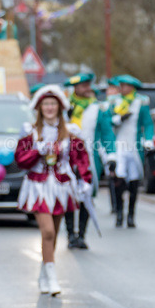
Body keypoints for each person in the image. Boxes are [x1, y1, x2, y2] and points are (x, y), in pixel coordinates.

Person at [14, 85, 94, 294]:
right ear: (39, 108)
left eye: (53, 104)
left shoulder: (70, 133)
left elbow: (81, 158)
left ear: (60, 107)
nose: (49, 108)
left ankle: (43, 275)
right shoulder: (30, 131)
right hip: (38, 186)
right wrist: (37, 151)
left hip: (61, 186)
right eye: (46, 104)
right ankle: (52, 277)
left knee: (54, 234)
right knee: (47, 231)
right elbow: (20, 160)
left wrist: (85, 180)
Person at [101, 75, 152, 228]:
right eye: (121, 85)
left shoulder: (140, 102)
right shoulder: (114, 102)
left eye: (125, 86)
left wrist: (148, 140)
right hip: (118, 147)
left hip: (134, 147)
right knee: (118, 181)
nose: (122, 88)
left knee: (134, 182)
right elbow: (106, 122)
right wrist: (118, 119)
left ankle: (131, 216)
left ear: (132, 88)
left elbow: (148, 123)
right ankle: (119, 214)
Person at [63, 72, 107, 249]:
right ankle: (70, 235)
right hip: (66, 158)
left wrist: (109, 156)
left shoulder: (97, 108)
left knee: (86, 196)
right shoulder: (65, 107)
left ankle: (81, 235)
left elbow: (106, 133)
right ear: (75, 89)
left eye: (88, 85)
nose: (87, 89)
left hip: (88, 158)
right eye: (83, 86)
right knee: (67, 195)